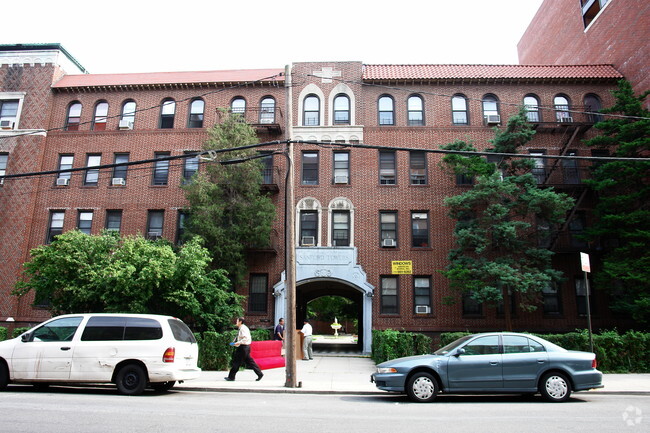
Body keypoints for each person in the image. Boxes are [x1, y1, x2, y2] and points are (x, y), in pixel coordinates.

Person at [225, 317, 263, 382]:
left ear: (240, 322)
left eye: (237, 321)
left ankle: (231, 377)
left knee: (236, 362)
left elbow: (245, 338)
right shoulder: (242, 328)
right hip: (245, 347)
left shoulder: (243, 329)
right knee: (250, 362)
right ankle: (259, 374)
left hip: (243, 347)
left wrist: (237, 343)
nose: (236, 322)